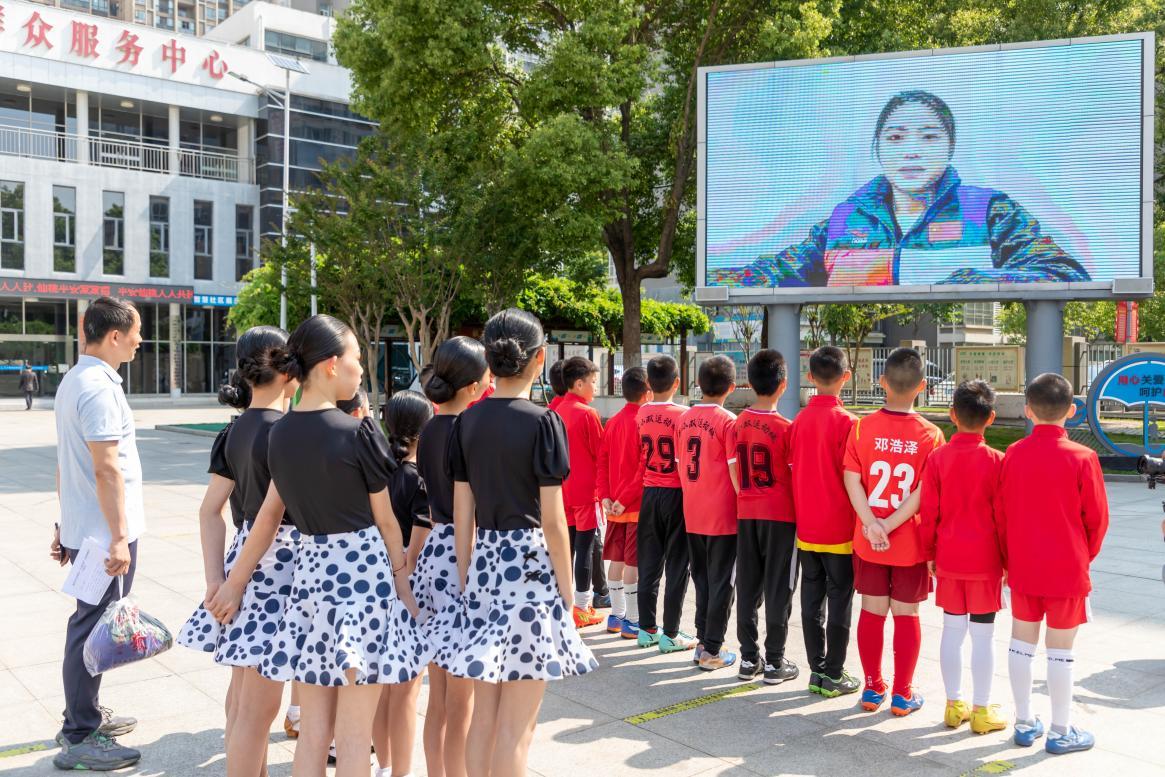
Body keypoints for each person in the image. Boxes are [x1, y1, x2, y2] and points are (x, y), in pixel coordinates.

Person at [208, 314, 430, 777]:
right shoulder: (359, 432)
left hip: (310, 585)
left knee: (312, 733)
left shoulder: (281, 433)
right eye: (355, 360)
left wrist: (234, 582)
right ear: (331, 365)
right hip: (364, 586)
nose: (360, 371)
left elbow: (267, 517)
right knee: (352, 738)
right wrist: (403, 583)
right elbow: (388, 523)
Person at [428, 308, 597, 777]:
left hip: (483, 566)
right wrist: (568, 592)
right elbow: (554, 521)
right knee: (517, 729)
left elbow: (463, 513)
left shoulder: (466, 424)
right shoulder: (543, 422)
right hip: (530, 570)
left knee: (485, 717)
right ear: (540, 359)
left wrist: (466, 573)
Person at [715, 90, 1089, 288]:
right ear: (877, 148)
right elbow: (780, 271)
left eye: (928, 137)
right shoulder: (847, 216)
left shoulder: (988, 209)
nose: (911, 151)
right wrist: (712, 279)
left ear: (950, 146)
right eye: (895, 138)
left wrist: (966, 277)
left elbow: (1064, 272)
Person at [176, 325, 301, 776]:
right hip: (273, 570)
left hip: (240, 567)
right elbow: (271, 521)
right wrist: (232, 583)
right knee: (258, 709)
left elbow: (210, 512)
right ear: (290, 371)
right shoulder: (287, 434)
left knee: (240, 697)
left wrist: (218, 579)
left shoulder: (233, 433)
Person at [51, 296, 143, 770]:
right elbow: (106, 470)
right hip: (102, 536)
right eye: (135, 332)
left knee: (92, 625)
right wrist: (119, 537)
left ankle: (82, 716)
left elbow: (67, 460)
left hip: (84, 528)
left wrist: (63, 523)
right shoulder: (99, 388)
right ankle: (80, 734)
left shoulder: (74, 380)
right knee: (91, 629)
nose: (140, 340)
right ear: (113, 336)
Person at [999, 373, 1109, 755]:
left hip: (1023, 565)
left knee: (1020, 644)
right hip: (1066, 567)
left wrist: (1008, 559)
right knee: (1061, 649)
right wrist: (1082, 555)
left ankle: (1025, 722)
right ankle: (1062, 730)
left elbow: (1002, 512)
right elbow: (1097, 520)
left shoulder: (1013, 453)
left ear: (1028, 410)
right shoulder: (1084, 457)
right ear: (1073, 411)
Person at [843, 347, 944, 716]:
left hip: (869, 541)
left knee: (871, 611)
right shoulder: (931, 435)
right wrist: (889, 524)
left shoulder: (860, 427)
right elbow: (922, 493)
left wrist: (872, 523)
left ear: (882, 382)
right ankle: (902, 693)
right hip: (909, 542)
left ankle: (872, 689)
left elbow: (851, 480)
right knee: (906, 614)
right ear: (922, 386)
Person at [415, 336, 489, 777]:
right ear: (475, 384)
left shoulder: (427, 430)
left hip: (432, 555)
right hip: (463, 553)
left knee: (439, 694)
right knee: (461, 697)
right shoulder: (469, 431)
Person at [918, 379, 1007, 735]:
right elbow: (1004, 516)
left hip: (949, 558)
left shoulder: (937, 458)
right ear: (992, 418)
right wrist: (1006, 561)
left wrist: (929, 553)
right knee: (984, 636)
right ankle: (983, 710)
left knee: (952, 631)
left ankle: (954, 705)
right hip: (986, 560)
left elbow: (929, 511)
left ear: (952, 415)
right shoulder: (998, 461)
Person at [789, 346, 862, 698]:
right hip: (840, 529)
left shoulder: (799, 420)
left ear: (810, 377)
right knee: (840, 600)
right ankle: (834, 672)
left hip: (807, 527)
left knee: (811, 601)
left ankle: (816, 669)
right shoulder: (849, 423)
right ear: (845, 377)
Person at [372, 389, 434, 777]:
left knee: (379, 688)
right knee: (407, 692)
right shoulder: (418, 480)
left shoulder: (377, 474)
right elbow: (415, 549)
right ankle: (402, 772)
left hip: (375, 588)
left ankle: (384, 766)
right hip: (408, 593)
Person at [730, 349, 799, 684]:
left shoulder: (737, 423)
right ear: (783, 385)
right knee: (778, 588)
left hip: (747, 511)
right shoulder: (786, 428)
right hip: (780, 515)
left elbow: (733, 472)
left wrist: (746, 497)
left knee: (747, 585)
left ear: (750, 382)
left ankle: (747, 658)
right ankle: (774, 662)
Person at [635, 354, 696, 654]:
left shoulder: (641, 413)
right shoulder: (684, 414)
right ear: (677, 382)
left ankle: (646, 628)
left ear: (648, 383)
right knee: (677, 565)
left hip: (650, 491)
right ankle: (670, 632)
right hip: (676, 492)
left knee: (648, 562)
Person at [596, 366, 652, 638]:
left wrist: (606, 497)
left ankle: (616, 616)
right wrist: (624, 499)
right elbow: (644, 467)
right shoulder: (644, 421)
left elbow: (602, 461)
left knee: (617, 560)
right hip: (634, 505)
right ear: (647, 391)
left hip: (613, 505)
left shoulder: (614, 421)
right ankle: (633, 619)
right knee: (634, 563)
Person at [557, 356, 606, 628]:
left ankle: (566, 604)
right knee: (585, 548)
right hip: (586, 492)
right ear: (578, 383)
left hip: (561, 491)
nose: (595, 388)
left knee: (567, 548)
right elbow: (600, 453)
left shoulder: (555, 411)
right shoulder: (588, 414)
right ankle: (582, 606)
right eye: (593, 382)